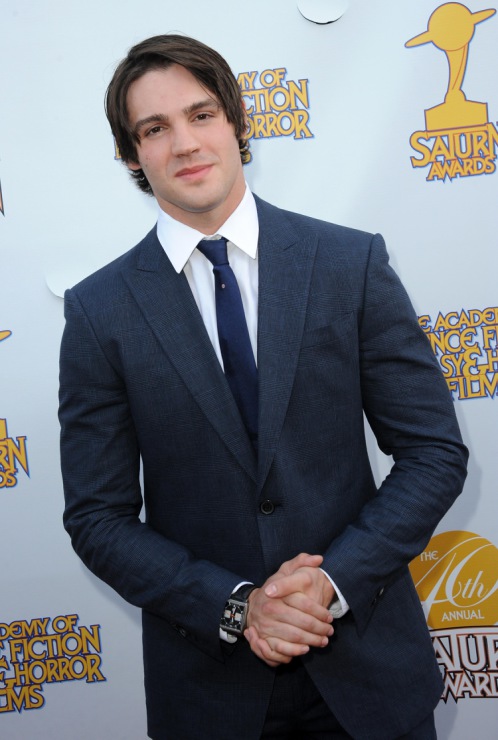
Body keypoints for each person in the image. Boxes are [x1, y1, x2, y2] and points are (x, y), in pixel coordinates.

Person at [59, 34, 468, 740]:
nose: (185, 143)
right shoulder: (100, 312)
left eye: (201, 114)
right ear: (130, 154)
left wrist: (332, 583)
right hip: (212, 696)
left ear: (237, 121)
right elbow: (98, 518)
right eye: (154, 129)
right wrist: (238, 606)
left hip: (370, 675)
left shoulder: (348, 263)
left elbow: (433, 453)